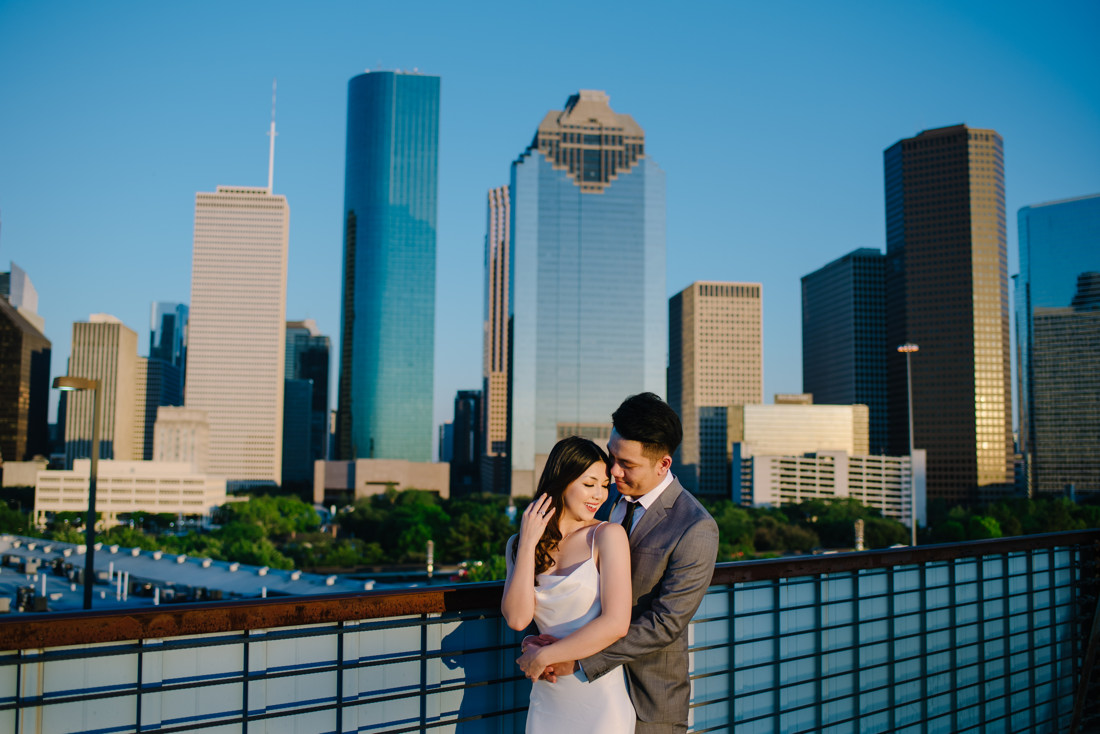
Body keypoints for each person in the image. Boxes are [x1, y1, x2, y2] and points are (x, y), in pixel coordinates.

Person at [526, 393, 719, 734]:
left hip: (648, 699)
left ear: (663, 464)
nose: (612, 471)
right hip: (580, 693)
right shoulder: (609, 497)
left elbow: (664, 623)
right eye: (612, 456)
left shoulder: (696, 527)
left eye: (626, 464)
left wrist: (578, 660)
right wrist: (543, 638)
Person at [501, 436, 636, 733]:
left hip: (599, 699)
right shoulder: (519, 545)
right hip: (548, 699)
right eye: (589, 485)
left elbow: (616, 623)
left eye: (603, 485)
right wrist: (526, 544)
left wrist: (545, 655)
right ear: (562, 481)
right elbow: (518, 618)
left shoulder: (607, 536)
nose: (599, 496)